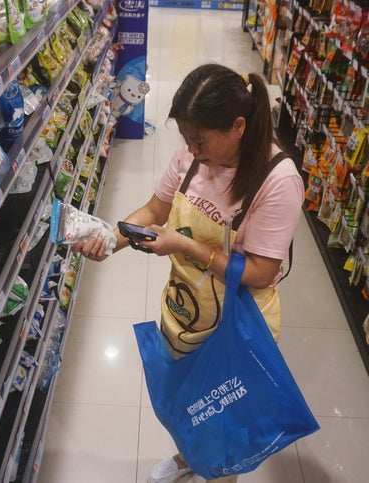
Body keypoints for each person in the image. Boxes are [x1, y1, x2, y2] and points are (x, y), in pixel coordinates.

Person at [72, 63, 304, 483]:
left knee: (223, 418)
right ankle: (186, 458)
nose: (190, 149)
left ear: (238, 126)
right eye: (185, 139)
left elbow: (262, 272)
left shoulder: (277, 178)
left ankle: (216, 471)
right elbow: (156, 210)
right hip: (187, 309)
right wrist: (112, 237)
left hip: (237, 326)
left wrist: (185, 246)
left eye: (199, 141)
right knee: (187, 400)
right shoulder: (192, 155)